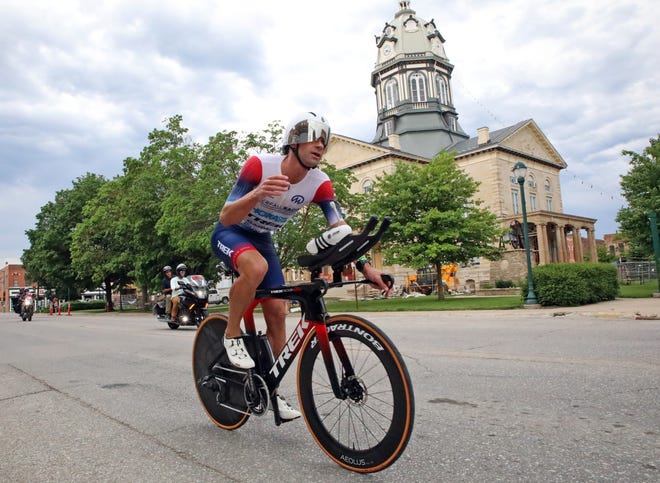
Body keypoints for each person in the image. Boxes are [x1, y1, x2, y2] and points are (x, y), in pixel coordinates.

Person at [210, 112, 391, 420]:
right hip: (233, 231)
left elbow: (340, 229)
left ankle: (274, 393)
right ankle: (231, 333)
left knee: (279, 313)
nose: (321, 145)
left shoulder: (320, 183)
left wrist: (365, 268)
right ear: (293, 142)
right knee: (254, 268)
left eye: (325, 140)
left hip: (264, 240)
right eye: (314, 138)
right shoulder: (260, 166)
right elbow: (226, 216)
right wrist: (258, 193)